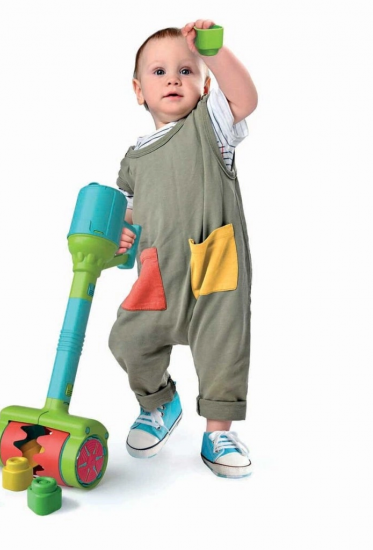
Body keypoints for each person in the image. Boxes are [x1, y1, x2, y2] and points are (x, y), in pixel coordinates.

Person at [108, 20, 258, 478]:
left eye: (186, 70)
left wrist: (212, 52)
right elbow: (125, 217)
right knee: (128, 339)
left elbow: (244, 99)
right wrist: (119, 236)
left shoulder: (211, 126)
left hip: (216, 264)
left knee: (223, 348)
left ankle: (218, 432)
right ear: (139, 90)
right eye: (159, 72)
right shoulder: (133, 160)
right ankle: (159, 403)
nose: (173, 79)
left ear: (204, 85)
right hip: (158, 272)